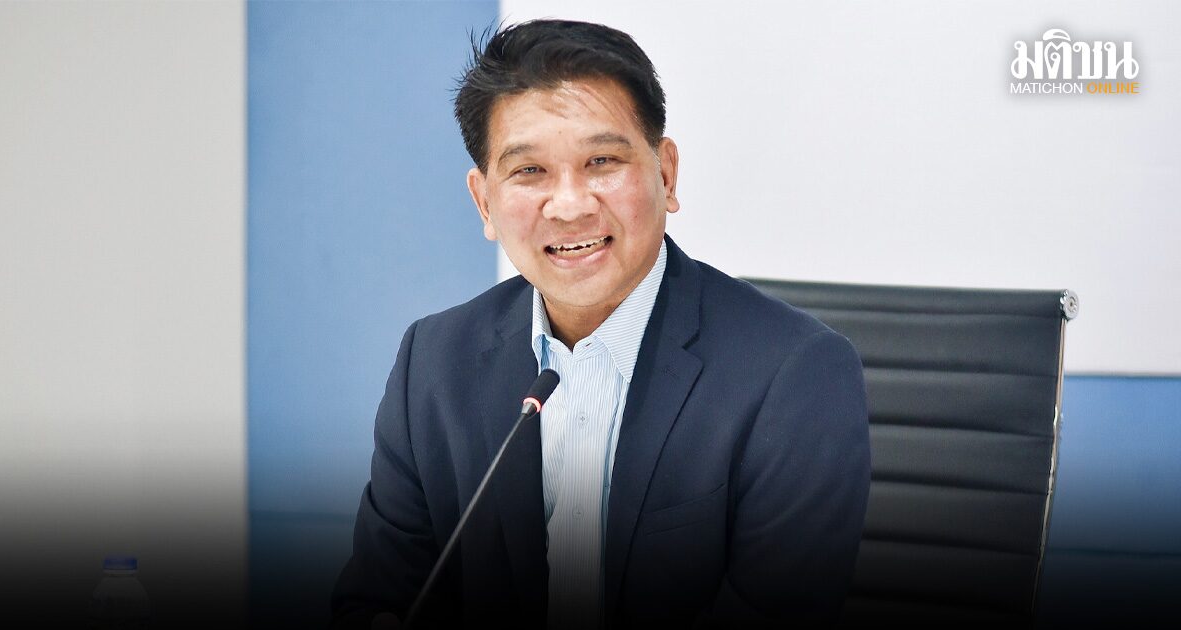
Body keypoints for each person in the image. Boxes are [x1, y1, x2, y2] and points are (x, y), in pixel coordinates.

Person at [331, 19, 870, 629]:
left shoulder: (795, 374)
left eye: (602, 161)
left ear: (666, 174)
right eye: (529, 171)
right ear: (484, 202)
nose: (570, 205)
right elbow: (376, 596)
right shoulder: (432, 362)